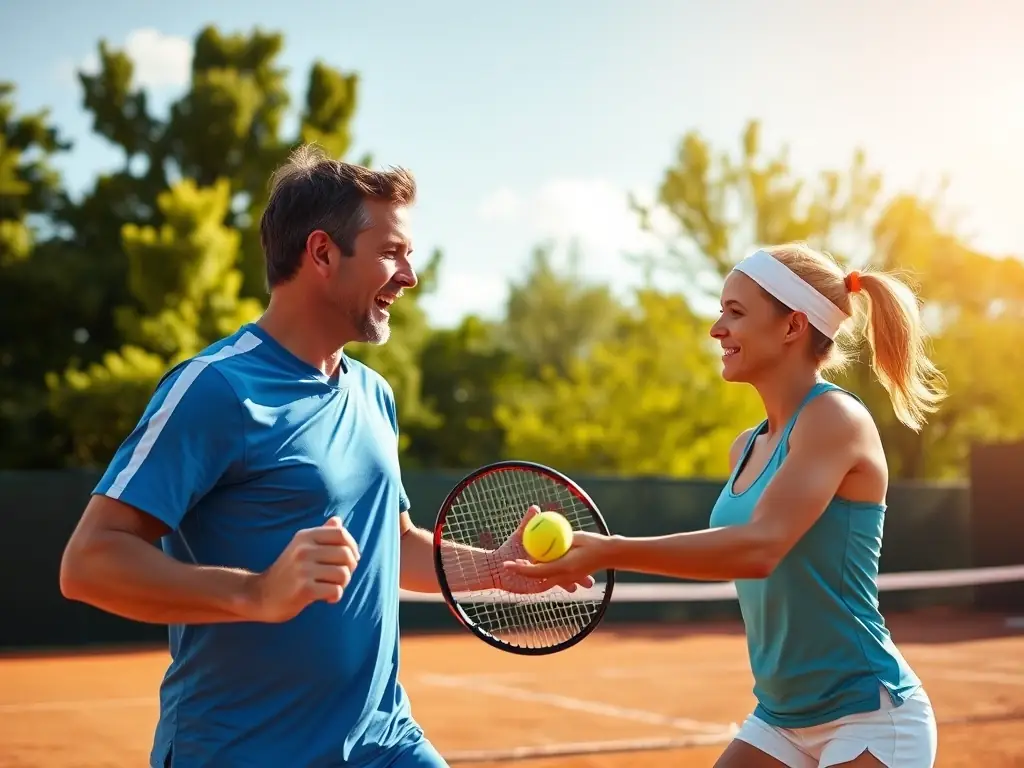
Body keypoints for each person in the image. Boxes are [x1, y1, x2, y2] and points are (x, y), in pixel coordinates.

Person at [58, 144, 593, 768]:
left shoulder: (374, 394)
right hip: (240, 751)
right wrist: (257, 592)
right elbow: (89, 563)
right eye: (391, 252)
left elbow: (392, 544)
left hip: (384, 741)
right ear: (321, 253)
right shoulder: (213, 388)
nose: (409, 275)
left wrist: (494, 569)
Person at [504, 243, 946, 768]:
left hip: (869, 715)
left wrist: (608, 552)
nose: (717, 329)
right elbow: (735, 550)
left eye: (735, 313)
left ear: (792, 327)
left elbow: (759, 549)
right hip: (781, 716)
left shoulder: (834, 420)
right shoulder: (747, 445)